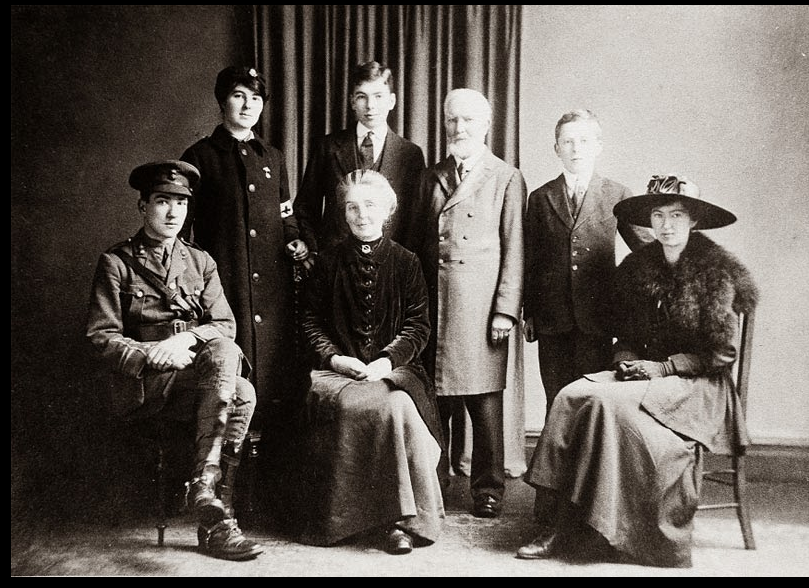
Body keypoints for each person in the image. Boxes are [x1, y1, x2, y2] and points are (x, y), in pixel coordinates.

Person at [516, 174, 758, 567]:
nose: (666, 224)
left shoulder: (716, 271)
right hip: (646, 376)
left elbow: (722, 353)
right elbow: (622, 331)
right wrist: (624, 360)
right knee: (571, 395)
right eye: (659, 215)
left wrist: (663, 367)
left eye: (677, 215)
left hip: (698, 385)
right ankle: (558, 520)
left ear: (693, 221)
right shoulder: (637, 267)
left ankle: (593, 529)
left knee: (611, 411)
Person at [86, 160, 263, 561]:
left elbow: (224, 324)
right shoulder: (115, 263)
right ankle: (212, 505)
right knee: (237, 383)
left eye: (180, 204)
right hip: (147, 385)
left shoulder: (200, 262)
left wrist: (184, 339)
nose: (172, 213)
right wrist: (151, 352)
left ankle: (211, 506)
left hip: (197, 380)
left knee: (239, 382)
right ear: (142, 206)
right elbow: (101, 337)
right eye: (162, 201)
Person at [298, 169, 444, 555]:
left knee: (395, 402)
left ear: (388, 211)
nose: (362, 215)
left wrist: (386, 360)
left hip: (394, 371)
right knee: (365, 404)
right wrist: (336, 358)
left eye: (370, 206)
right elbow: (310, 321)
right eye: (352, 207)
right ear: (343, 215)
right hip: (336, 372)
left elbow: (417, 326)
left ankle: (396, 520)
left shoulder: (406, 262)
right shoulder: (327, 262)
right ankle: (369, 520)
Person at [407, 88, 526, 519]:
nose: (460, 128)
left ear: (487, 125)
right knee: (435, 400)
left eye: (469, 121)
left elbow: (515, 249)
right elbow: (414, 245)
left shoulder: (506, 177)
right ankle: (433, 482)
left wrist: (505, 310)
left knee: (485, 402)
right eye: (453, 120)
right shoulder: (430, 176)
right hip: (434, 303)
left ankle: (488, 488)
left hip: (480, 308)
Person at [180, 65, 310, 431]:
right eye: (239, 96)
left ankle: (267, 459)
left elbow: (286, 214)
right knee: (232, 375)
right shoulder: (199, 156)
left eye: (256, 98)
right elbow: (184, 232)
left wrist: (295, 239)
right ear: (223, 102)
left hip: (272, 288)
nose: (248, 105)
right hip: (225, 283)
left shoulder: (273, 156)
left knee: (274, 371)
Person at [523, 109, 652, 417]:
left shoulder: (617, 194)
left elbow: (645, 249)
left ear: (598, 146)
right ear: (557, 149)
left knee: (593, 398)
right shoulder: (541, 198)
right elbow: (531, 258)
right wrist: (529, 313)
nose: (576, 149)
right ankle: (557, 465)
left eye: (583, 140)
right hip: (552, 319)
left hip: (598, 318)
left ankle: (590, 466)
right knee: (556, 398)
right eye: (567, 141)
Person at [294, 60, 426, 254]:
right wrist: (316, 252)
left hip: (388, 265)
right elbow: (305, 207)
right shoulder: (328, 147)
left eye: (378, 96)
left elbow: (415, 221)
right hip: (335, 265)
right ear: (352, 102)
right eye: (362, 97)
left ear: (392, 101)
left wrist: (401, 264)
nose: (371, 105)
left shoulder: (410, 154)